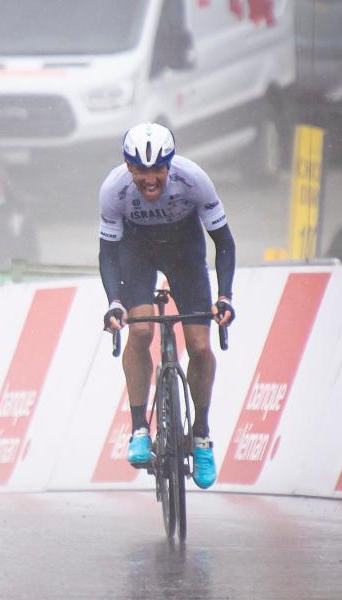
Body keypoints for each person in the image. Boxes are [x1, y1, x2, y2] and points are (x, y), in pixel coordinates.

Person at [99, 123, 235, 490]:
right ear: (129, 168)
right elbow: (108, 252)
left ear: (170, 164)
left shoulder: (194, 180)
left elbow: (223, 242)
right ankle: (140, 428)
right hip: (137, 253)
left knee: (201, 346)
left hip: (184, 252)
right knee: (141, 329)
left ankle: (202, 435)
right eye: (140, 170)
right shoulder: (114, 190)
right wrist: (115, 302)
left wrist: (225, 296)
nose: (149, 179)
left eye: (157, 168)